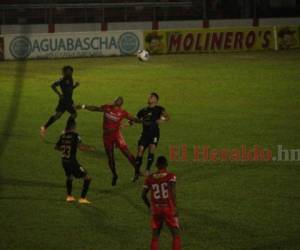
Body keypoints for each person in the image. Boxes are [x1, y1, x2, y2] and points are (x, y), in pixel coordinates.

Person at [77, 96, 140, 186]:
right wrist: (84, 106)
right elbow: (96, 108)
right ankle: (114, 175)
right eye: (117, 99)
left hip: (116, 135)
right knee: (110, 157)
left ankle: (137, 171)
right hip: (107, 136)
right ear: (114, 101)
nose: (118, 100)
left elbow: (134, 119)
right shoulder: (107, 107)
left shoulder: (123, 113)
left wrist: (144, 121)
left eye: (120, 100)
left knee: (127, 153)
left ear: (121, 104)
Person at [142, 156, 181, 250]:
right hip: (168, 208)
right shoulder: (171, 176)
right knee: (176, 234)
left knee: (155, 237)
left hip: (156, 209)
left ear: (156, 165)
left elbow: (143, 195)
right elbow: (173, 192)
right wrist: (175, 207)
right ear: (166, 165)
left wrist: (149, 206)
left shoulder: (149, 178)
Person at [55, 119, 94, 204]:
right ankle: (82, 198)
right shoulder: (76, 135)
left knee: (70, 177)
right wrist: (90, 149)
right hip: (72, 162)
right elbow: (81, 147)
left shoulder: (63, 135)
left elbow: (56, 147)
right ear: (73, 126)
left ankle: (69, 196)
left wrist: (65, 147)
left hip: (64, 161)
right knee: (87, 177)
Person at [134, 93, 170, 181]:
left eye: (152, 97)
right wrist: (126, 124)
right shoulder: (143, 110)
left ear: (156, 100)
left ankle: (147, 170)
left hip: (154, 134)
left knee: (151, 149)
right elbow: (135, 119)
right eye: (149, 96)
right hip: (144, 134)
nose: (149, 98)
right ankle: (137, 172)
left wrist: (162, 120)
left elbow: (167, 117)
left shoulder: (159, 109)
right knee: (140, 151)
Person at [40, 66, 79, 138]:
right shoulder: (62, 79)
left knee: (57, 116)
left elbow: (69, 90)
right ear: (64, 72)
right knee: (74, 114)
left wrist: (75, 86)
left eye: (70, 71)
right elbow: (53, 85)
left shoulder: (70, 79)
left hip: (68, 100)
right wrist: (59, 94)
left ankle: (44, 127)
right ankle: (66, 130)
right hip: (65, 101)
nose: (70, 72)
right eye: (68, 71)